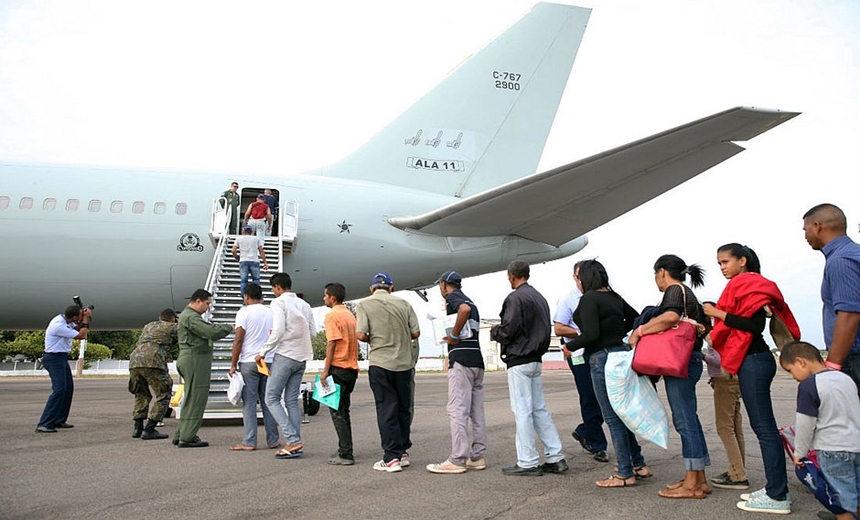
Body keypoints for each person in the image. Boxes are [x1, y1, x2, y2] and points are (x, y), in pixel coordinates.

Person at [704, 243, 800, 514]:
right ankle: (774, 489)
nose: (722, 267)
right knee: (763, 427)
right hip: (755, 361)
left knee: (765, 429)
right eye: (719, 263)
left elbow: (754, 325)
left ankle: (778, 496)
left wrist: (717, 313)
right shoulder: (749, 285)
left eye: (725, 261)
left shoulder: (748, 285)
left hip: (754, 361)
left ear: (742, 261)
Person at [628, 255, 711, 498]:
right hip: (690, 360)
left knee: (685, 420)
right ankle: (697, 478)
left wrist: (639, 331)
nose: (656, 280)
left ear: (662, 271)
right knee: (689, 419)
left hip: (681, 362)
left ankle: (692, 484)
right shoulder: (686, 292)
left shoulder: (675, 289)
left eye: (656, 274)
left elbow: (671, 317)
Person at [564, 259, 647, 488]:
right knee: (623, 413)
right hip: (620, 354)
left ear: (586, 278)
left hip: (602, 359)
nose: (577, 281)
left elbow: (590, 334)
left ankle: (624, 473)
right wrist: (618, 334)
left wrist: (569, 347)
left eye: (578, 277)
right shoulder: (613, 297)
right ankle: (637, 463)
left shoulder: (590, 298)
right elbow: (635, 317)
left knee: (611, 416)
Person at [490, 260, 567, 477]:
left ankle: (528, 461)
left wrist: (495, 332)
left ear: (511, 275)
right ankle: (555, 456)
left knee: (522, 410)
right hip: (535, 358)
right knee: (539, 409)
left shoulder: (515, 298)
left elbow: (509, 329)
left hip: (519, 358)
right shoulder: (539, 297)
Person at [781, 340, 860, 520]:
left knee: (842, 505)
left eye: (790, 370)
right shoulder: (845, 379)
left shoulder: (809, 385)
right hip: (856, 446)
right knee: (855, 497)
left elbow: (805, 423)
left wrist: (799, 453)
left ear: (801, 362)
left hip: (833, 451)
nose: (793, 376)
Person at [356, 272, 421, 473]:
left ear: (371, 288)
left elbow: (360, 334)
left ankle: (390, 457)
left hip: (381, 363)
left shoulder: (364, 304)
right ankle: (402, 452)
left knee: (386, 409)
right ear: (391, 287)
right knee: (403, 408)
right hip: (404, 363)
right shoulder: (404, 303)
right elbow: (416, 333)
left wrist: (375, 338)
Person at [426, 271, 487, 474]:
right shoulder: (472, 301)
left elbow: (463, 310)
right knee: (476, 410)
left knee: (457, 410)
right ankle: (477, 456)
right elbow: (469, 309)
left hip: (461, 360)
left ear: (444, 285)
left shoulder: (454, 298)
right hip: (477, 360)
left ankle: (457, 459)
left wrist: (452, 334)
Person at [553, 260, 608, 464]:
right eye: (579, 276)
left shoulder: (602, 294)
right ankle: (597, 444)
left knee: (604, 396)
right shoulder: (569, 299)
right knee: (588, 395)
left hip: (598, 351)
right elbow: (559, 328)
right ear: (575, 278)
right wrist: (583, 331)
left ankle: (585, 430)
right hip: (578, 353)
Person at [256, 272, 315, 459]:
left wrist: (263, 351)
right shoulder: (304, 304)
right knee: (291, 400)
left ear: (277, 288)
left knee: (271, 398)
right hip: (302, 356)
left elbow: (279, 330)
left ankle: (293, 439)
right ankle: (294, 441)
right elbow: (312, 332)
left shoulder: (279, 303)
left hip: (286, 354)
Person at [803, 203, 860, 396]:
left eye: (806, 229)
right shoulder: (853, 253)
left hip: (854, 357)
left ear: (818, 226)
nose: (805, 236)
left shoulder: (841, 261)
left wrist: (832, 367)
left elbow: (849, 315)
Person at [174, 289, 233, 448]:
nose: (208, 307)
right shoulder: (191, 317)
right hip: (195, 360)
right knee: (197, 399)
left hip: (191, 359)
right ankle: (188, 437)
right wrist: (229, 327)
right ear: (198, 301)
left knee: (191, 398)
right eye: (207, 303)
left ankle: (182, 433)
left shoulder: (188, 316)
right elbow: (209, 332)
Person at [228, 283, 279, 451]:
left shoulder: (244, 312)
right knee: (269, 401)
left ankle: (249, 441)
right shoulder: (271, 312)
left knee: (249, 402)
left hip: (249, 362)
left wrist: (233, 363)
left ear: (246, 297)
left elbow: (239, 339)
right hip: (268, 360)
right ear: (262, 297)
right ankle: (273, 440)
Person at [321, 282, 360, 466]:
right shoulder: (350, 315)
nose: (324, 299)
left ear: (332, 298)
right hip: (351, 369)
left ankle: (346, 454)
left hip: (337, 368)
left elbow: (332, 343)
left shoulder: (331, 316)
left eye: (325, 296)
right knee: (345, 411)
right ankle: (345, 448)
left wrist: (325, 371)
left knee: (337, 413)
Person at [35, 305, 92, 433]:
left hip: (61, 357)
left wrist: (82, 320)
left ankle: (58, 420)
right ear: (74, 317)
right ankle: (44, 423)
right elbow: (81, 335)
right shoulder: (58, 325)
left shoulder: (64, 320)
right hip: (54, 358)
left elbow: (76, 328)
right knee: (59, 390)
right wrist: (86, 320)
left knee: (67, 390)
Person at [702, 342, 749, 491]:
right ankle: (736, 469)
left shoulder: (718, 333)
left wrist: (702, 356)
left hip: (724, 380)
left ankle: (738, 475)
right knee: (735, 428)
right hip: (734, 379)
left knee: (724, 428)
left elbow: (719, 360)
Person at [128, 308, 178, 440]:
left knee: (141, 394)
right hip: (153, 361)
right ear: (173, 318)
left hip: (135, 361)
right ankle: (150, 428)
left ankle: (138, 428)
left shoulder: (148, 325)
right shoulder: (172, 327)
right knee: (164, 393)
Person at [231, 225, 268, 297]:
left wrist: (236, 257)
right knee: (256, 280)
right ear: (251, 231)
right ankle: (256, 296)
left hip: (243, 261)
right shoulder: (256, 239)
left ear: (243, 231)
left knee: (244, 281)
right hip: (254, 260)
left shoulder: (239, 239)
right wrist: (265, 262)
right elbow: (261, 251)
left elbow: (233, 250)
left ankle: (244, 297)